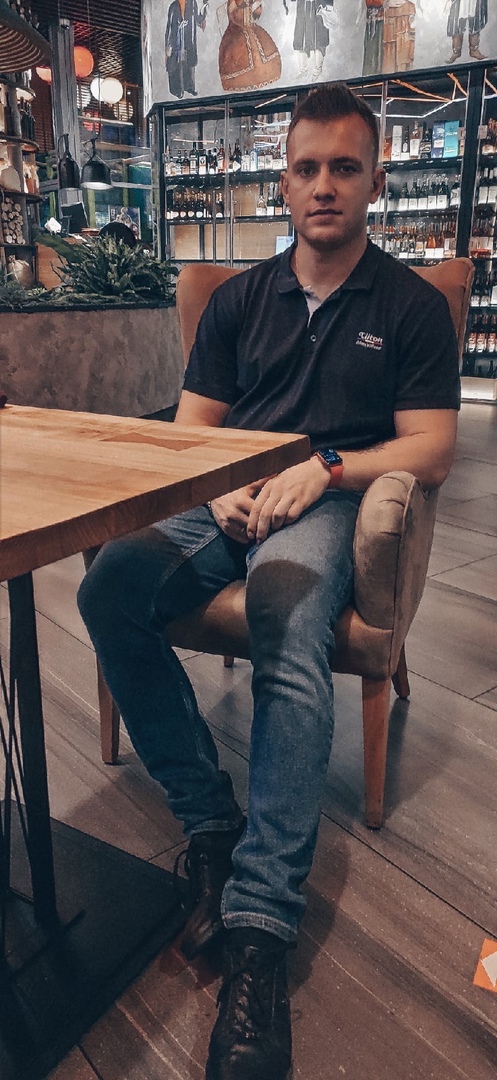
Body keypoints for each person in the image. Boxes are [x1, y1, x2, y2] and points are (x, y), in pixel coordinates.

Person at [78, 83, 460, 1080]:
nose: (323, 185)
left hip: (329, 504)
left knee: (288, 620)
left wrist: (324, 470)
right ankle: (211, 821)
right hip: (228, 499)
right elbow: (194, 429)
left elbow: (429, 447)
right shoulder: (239, 300)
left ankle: (258, 926)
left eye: (343, 167)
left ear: (374, 182)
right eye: (305, 168)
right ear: (282, 182)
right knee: (108, 589)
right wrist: (223, 487)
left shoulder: (411, 306)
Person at [164, 0, 208, 99]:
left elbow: (197, 20)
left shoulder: (192, 3)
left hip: (188, 41)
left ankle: (189, 87)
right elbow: (169, 27)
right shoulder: (173, 6)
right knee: (176, 64)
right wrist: (168, 45)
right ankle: (177, 90)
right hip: (176, 42)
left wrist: (204, 8)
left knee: (188, 63)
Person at [289, 0, 336, 81]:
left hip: (318, 10)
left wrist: (327, 6)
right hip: (303, 10)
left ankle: (317, 71)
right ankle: (303, 70)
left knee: (319, 44)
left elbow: (328, 5)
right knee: (301, 42)